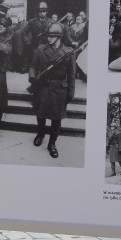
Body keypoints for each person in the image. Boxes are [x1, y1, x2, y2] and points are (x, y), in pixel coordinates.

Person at [29, 23, 76, 159]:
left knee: (56, 119)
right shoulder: (40, 49)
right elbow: (32, 65)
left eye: (52, 36)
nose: (49, 39)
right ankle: (41, 134)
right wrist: (33, 78)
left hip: (59, 88)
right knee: (40, 114)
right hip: (43, 86)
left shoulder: (67, 52)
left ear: (59, 37)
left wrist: (70, 93)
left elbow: (71, 75)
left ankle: (52, 143)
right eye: (48, 36)